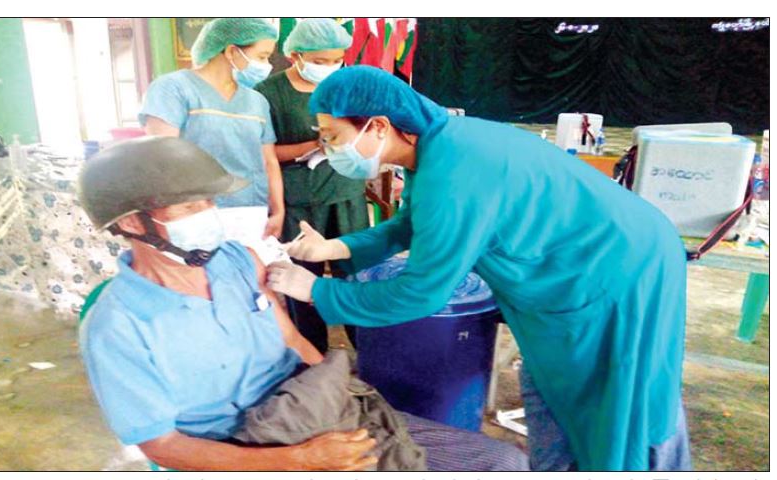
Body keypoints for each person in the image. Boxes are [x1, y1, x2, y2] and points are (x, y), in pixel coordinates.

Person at [267, 65, 693, 471]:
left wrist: (316, 291)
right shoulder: (436, 143)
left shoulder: (454, 170)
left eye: (332, 137)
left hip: (615, 270)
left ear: (378, 126)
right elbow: (413, 223)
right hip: (585, 260)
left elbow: (421, 292)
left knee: (622, 397)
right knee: (561, 384)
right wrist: (335, 247)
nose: (329, 150)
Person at [77, 136, 529, 471]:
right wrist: (299, 459)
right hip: (245, 446)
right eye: (188, 207)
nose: (208, 214)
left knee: (502, 463)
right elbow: (163, 446)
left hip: (307, 406)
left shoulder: (237, 261)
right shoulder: (117, 327)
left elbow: (292, 339)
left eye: (209, 201)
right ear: (132, 223)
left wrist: (343, 400)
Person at [255, 19, 367, 353]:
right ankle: (311, 354)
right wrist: (313, 145)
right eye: (320, 61)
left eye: (337, 60)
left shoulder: (347, 86)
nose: (330, 67)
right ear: (296, 56)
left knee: (356, 275)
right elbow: (263, 153)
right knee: (300, 280)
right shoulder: (268, 93)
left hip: (345, 195)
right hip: (297, 201)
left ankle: (366, 347)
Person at [139, 18, 284, 240]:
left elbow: (269, 161)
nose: (266, 65)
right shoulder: (173, 88)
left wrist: (278, 210)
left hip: (250, 209)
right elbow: (161, 158)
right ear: (231, 51)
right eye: (262, 56)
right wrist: (179, 212)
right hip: (194, 213)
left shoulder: (257, 101)